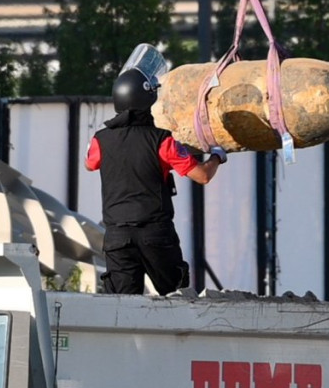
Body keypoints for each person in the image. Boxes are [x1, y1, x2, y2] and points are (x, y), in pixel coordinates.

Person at [85, 45, 226, 296]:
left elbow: (90, 164)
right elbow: (203, 175)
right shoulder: (162, 141)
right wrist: (217, 156)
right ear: (146, 99)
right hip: (155, 235)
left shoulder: (100, 140)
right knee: (175, 299)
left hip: (117, 238)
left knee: (121, 305)